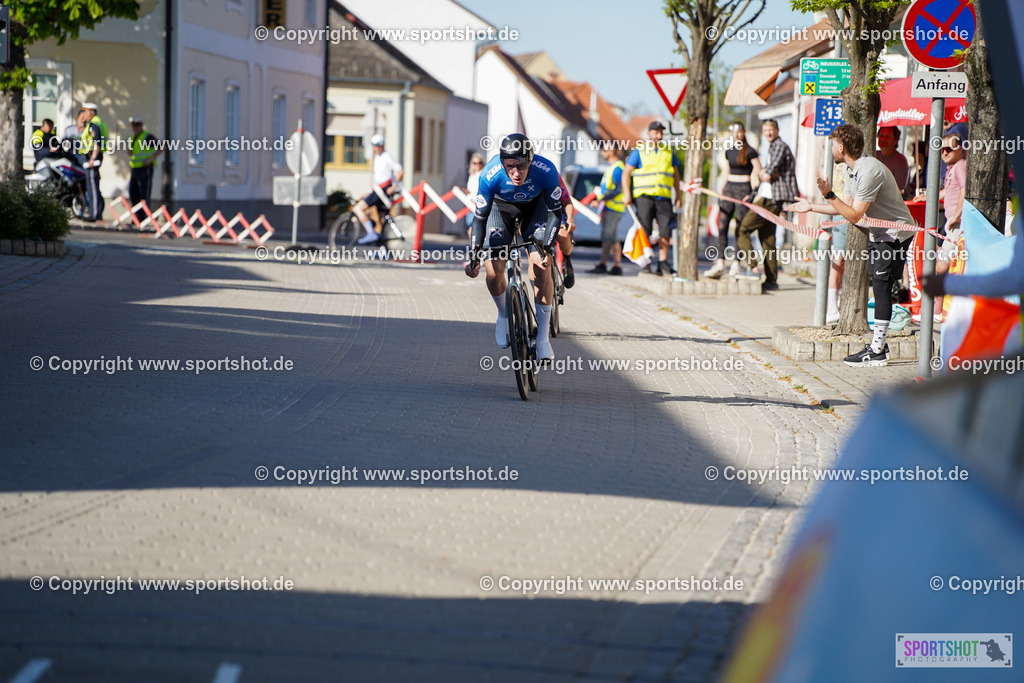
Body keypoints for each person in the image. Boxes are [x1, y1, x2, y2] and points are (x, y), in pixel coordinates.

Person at [787, 124, 917, 367]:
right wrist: (812, 206)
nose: (830, 149)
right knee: (879, 285)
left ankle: (878, 349)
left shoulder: (869, 171)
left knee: (881, 287)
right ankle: (879, 346)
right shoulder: (852, 169)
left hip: (895, 233)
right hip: (880, 233)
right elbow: (844, 207)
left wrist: (829, 195)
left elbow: (855, 215)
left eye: (832, 144)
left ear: (841, 147)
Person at [464, 133, 562, 361]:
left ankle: (543, 339)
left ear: (530, 161)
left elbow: (555, 214)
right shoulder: (490, 174)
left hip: (534, 208)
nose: (515, 173)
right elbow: (480, 219)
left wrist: (546, 249)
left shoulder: (546, 171)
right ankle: (503, 314)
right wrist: (474, 257)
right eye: (510, 167)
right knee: (493, 269)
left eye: (521, 167)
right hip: (500, 210)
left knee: (540, 266)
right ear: (502, 162)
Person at [735, 119, 799, 292]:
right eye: (765, 130)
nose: (768, 133)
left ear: (777, 130)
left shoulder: (779, 146)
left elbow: (767, 173)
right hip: (768, 196)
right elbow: (767, 175)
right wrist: (759, 185)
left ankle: (753, 268)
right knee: (768, 239)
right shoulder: (772, 146)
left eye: (771, 130)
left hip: (771, 198)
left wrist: (765, 173)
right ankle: (771, 280)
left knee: (743, 229)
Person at [622, 121, 682, 276]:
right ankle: (646, 262)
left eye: (661, 132)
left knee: (665, 230)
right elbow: (626, 172)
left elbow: (675, 175)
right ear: (649, 134)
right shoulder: (640, 150)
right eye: (656, 132)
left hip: (664, 197)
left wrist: (678, 195)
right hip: (644, 197)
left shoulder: (668, 151)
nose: (659, 136)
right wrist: (627, 193)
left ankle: (663, 263)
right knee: (645, 229)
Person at [706, 122, 762, 279]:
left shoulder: (750, 151)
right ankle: (720, 263)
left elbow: (760, 173)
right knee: (722, 226)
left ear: (744, 133)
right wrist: (721, 190)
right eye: (733, 132)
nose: (736, 135)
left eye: (739, 132)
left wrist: (753, 193)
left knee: (740, 228)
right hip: (729, 188)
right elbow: (726, 172)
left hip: (743, 189)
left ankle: (737, 263)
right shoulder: (729, 151)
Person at [353, 133, 403, 244]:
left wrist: (394, 186)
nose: (377, 148)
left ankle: (371, 232)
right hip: (377, 190)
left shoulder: (386, 157)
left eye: (379, 145)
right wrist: (368, 192)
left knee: (358, 209)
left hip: (382, 191)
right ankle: (383, 248)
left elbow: (400, 170)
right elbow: (377, 179)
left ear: (383, 145)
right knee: (382, 220)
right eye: (375, 146)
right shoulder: (377, 158)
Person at [590, 145, 625, 275]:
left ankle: (603, 264)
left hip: (613, 208)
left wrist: (600, 200)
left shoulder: (617, 168)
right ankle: (617, 265)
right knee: (613, 238)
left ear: (611, 151)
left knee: (607, 237)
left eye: (604, 150)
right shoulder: (613, 168)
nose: (602, 152)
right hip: (610, 208)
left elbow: (617, 189)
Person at [78, 102, 108, 222]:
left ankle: (94, 214)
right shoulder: (94, 122)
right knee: (92, 186)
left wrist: (92, 158)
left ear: (90, 112)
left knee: (92, 187)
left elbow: (97, 143)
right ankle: (95, 213)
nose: (83, 114)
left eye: (85, 111)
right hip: (91, 158)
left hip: (92, 158)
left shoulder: (94, 124)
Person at [126, 116, 163, 212]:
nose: (134, 128)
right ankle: (137, 217)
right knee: (133, 193)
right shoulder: (133, 138)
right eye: (133, 126)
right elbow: (132, 152)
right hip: (135, 169)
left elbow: (162, 147)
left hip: (145, 169)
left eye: (137, 125)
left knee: (144, 194)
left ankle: (143, 218)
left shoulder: (147, 137)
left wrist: (151, 158)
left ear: (141, 126)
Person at [940, 133, 967, 234]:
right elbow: (947, 191)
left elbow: (964, 189)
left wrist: (956, 216)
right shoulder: (953, 167)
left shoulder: (960, 166)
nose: (945, 153)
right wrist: (926, 198)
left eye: (949, 149)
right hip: (953, 220)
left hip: (958, 222)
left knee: (947, 250)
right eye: (942, 150)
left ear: (960, 150)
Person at [876, 126, 908, 195]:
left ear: (895, 141)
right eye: (881, 135)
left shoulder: (900, 161)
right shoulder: (874, 155)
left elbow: (899, 190)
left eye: (888, 137)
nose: (883, 139)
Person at [464, 153, 485, 234]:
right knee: (470, 229)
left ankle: (478, 246)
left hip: (479, 204)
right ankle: (473, 246)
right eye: (475, 163)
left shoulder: (483, 174)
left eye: (479, 163)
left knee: (477, 229)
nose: (477, 165)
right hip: (470, 203)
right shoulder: (472, 175)